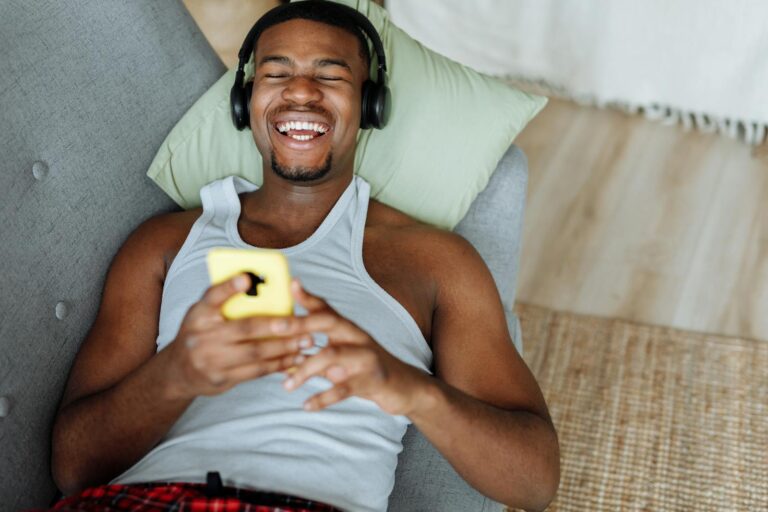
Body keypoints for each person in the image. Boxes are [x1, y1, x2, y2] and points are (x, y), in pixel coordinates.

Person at [48, 2, 560, 511]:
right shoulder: (164, 244)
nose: (300, 91)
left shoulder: (434, 261)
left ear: (370, 106)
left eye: (330, 76)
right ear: (244, 103)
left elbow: (533, 483)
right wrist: (177, 373)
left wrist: (407, 389)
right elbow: (73, 469)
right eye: (276, 73)